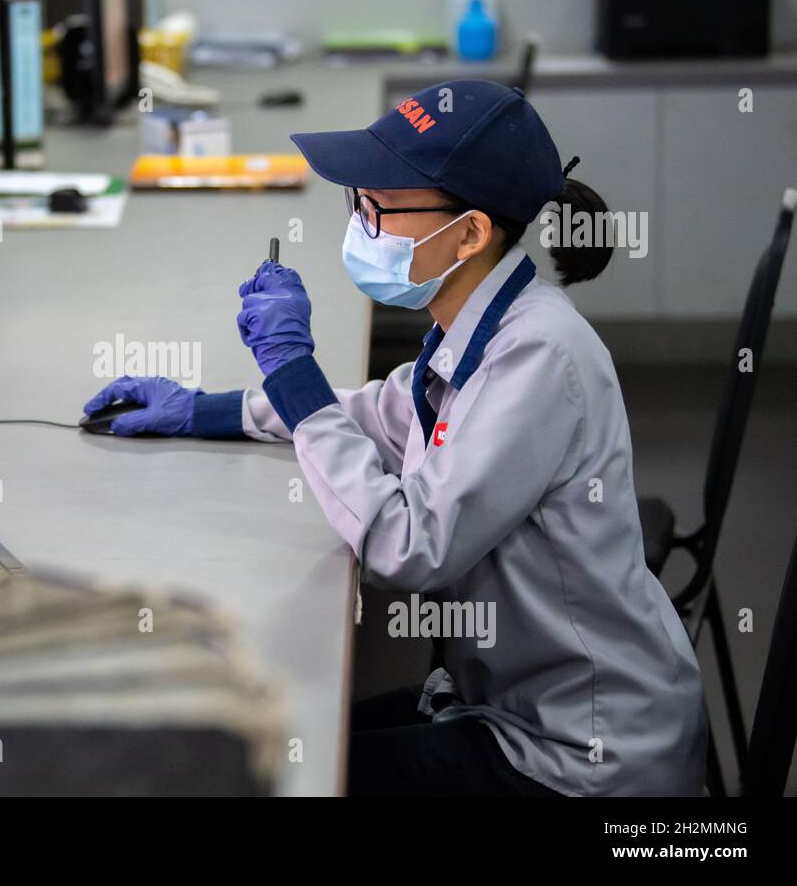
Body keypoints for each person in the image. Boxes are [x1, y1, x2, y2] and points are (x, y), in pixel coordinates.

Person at [83, 79, 706, 796]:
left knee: (278, 773)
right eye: (357, 204)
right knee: (293, 741)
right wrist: (207, 409)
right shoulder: (480, 321)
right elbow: (382, 414)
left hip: (581, 758)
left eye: (376, 208)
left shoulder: (541, 355)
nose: (360, 225)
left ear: (470, 233)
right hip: (506, 703)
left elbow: (408, 549)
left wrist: (293, 369)